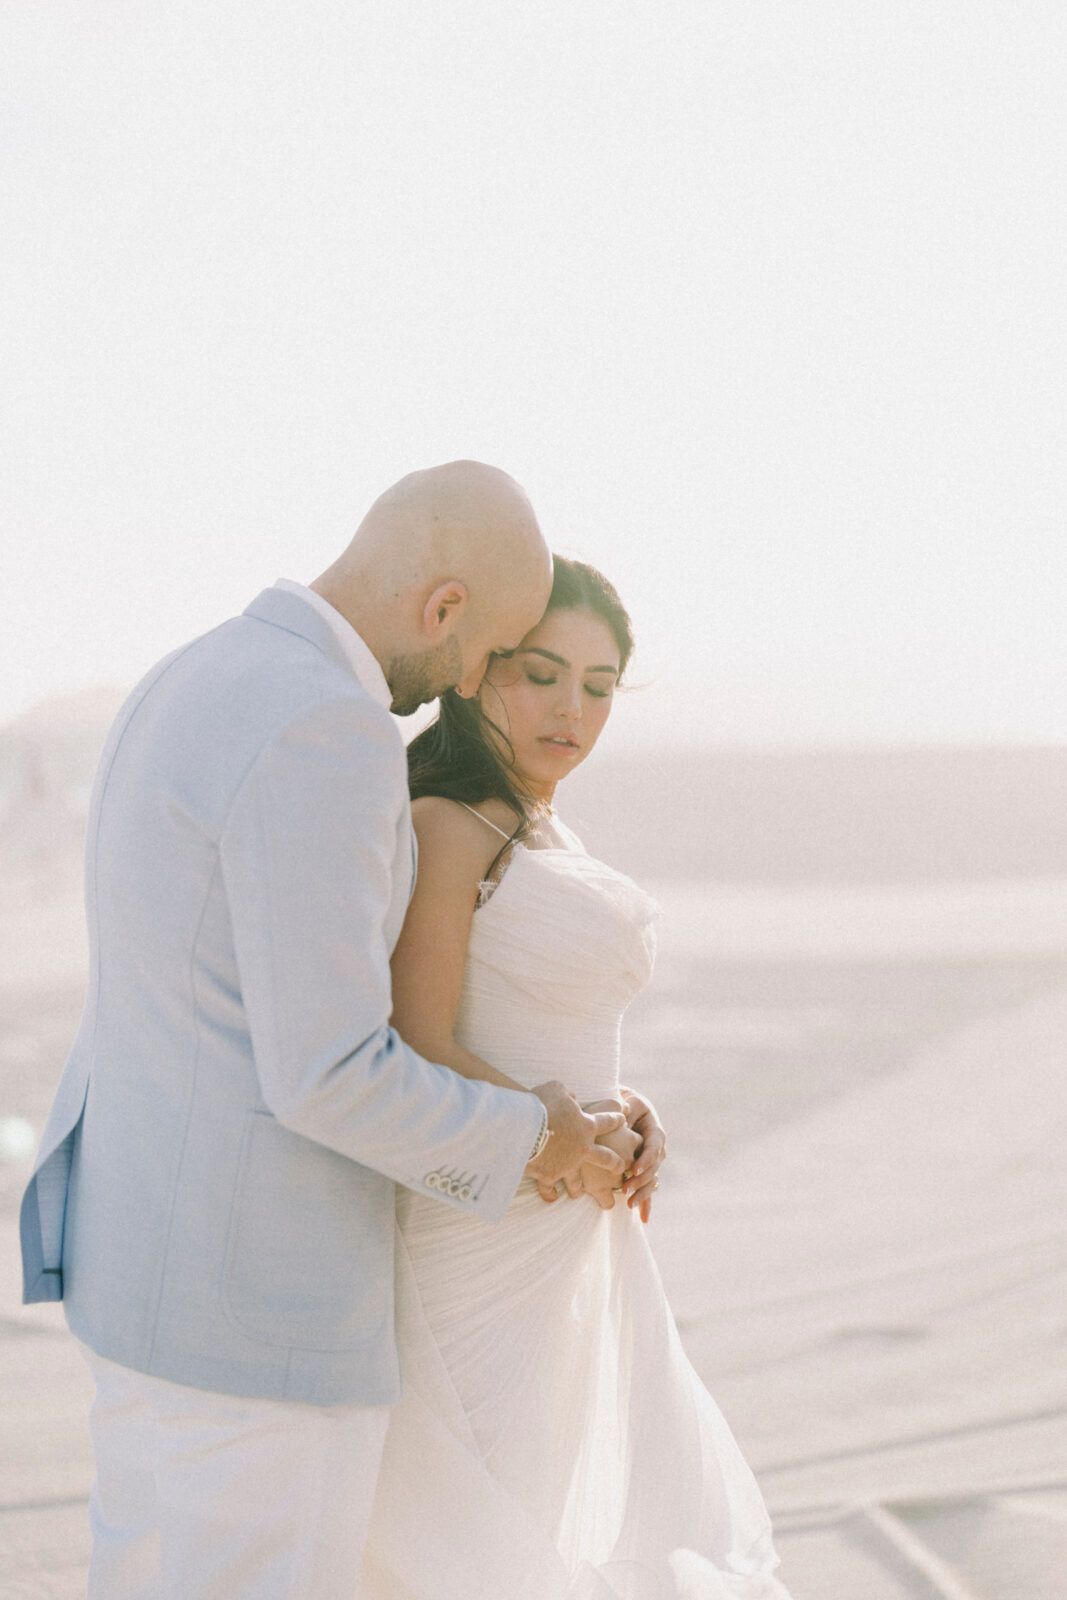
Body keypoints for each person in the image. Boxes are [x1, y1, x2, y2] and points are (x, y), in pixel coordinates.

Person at [19, 462, 634, 1600]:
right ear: (442, 608)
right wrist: (531, 1136)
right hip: (257, 1326)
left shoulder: (186, 673)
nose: (458, 685)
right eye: (483, 653)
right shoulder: (329, 729)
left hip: (133, 1270)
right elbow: (329, 1074)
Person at [358, 558, 792, 1598]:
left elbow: (542, 1028)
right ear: (473, 674)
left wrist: (628, 1111)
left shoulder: (545, 826)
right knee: (483, 1521)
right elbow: (416, 1041)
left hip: (578, 1226)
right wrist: (559, 1134)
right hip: (480, 1225)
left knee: (566, 1508)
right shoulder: (445, 824)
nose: (570, 709)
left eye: (597, 687)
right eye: (540, 674)